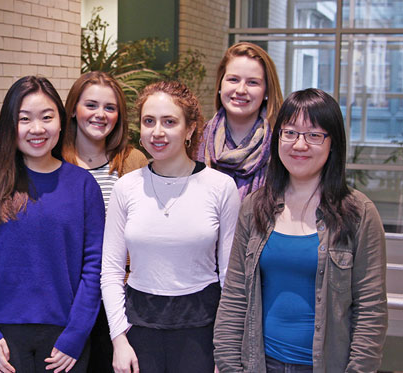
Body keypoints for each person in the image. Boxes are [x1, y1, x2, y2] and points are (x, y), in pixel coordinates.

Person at [214, 88, 388, 372]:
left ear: (333, 143)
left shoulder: (359, 213)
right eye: (290, 133)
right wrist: (230, 365)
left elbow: (370, 312)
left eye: (314, 135)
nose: (299, 144)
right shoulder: (255, 206)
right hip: (260, 363)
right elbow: (235, 297)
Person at [0, 76, 105, 373]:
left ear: (61, 122)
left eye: (47, 117)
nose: (37, 129)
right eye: (24, 119)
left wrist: (76, 336)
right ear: (10, 126)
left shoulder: (83, 185)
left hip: (65, 336)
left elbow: (95, 266)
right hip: (3, 337)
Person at [101, 80, 241, 373]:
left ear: (190, 129)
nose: (158, 132)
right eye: (149, 121)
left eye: (170, 122)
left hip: (202, 327)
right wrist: (119, 340)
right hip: (138, 327)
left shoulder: (220, 187)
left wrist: (227, 346)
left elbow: (230, 274)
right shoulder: (126, 187)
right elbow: (112, 272)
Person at [61, 71, 148, 371]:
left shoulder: (134, 162)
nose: (101, 115)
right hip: (68, 298)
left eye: (110, 108)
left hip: (120, 298)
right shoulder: (53, 159)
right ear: (73, 109)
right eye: (91, 105)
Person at [197, 42, 283, 199]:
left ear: (266, 91)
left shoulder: (281, 145)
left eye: (252, 82)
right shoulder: (196, 140)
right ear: (220, 85)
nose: (241, 90)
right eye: (233, 79)